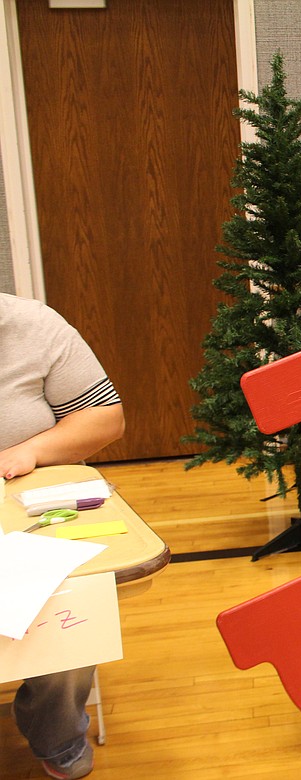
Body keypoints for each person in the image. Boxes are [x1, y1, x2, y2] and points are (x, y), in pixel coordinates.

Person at [1, 292, 124, 779]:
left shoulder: (32, 325)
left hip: (25, 507)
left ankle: (55, 730)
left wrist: (31, 450)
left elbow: (105, 418)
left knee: (75, 598)